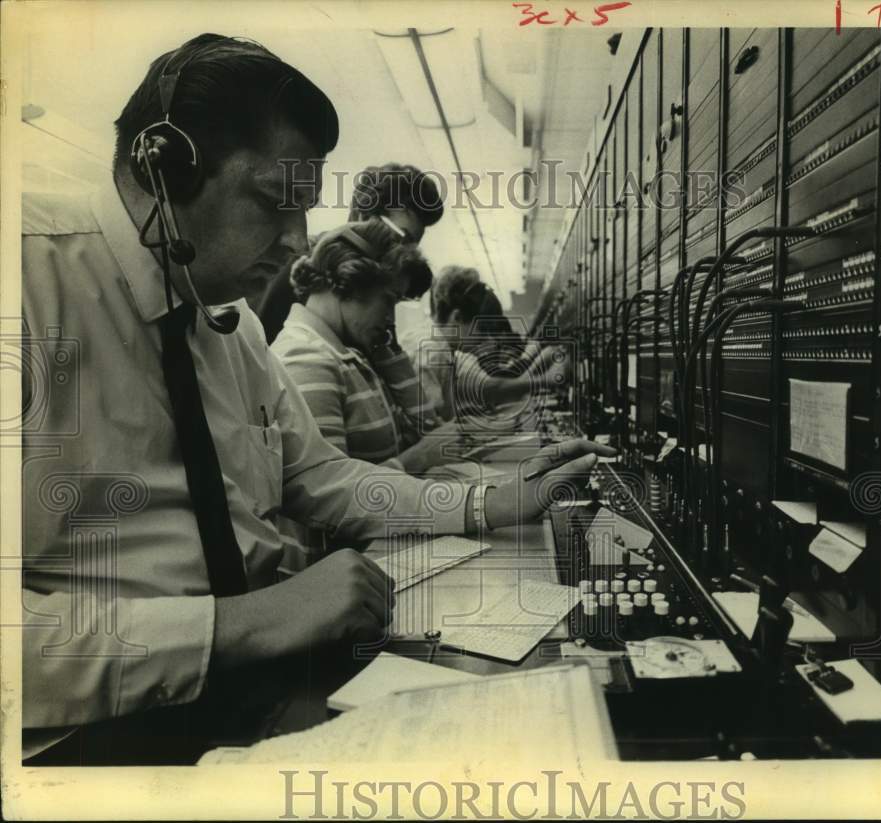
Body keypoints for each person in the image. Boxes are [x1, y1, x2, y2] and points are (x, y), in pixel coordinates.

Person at [20, 33, 612, 764]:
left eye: (307, 208)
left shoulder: (225, 321)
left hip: (260, 687)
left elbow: (321, 475)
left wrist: (490, 503)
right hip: (102, 740)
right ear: (166, 166)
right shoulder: (26, 289)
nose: (301, 243)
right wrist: (240, 623)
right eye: (276, 203)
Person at [272, 220, 462, 473]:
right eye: (388, 300)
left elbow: (425, 427)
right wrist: (421, 457)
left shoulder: (353, 354)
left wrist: (391, 356)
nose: (391, 320)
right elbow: (333, 497)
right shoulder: (307, 359)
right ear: (350, 281)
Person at [252, 162, 444, 343]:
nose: (405, 257)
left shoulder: (370, 295)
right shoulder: (302, 264)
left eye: (413, 247)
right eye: (401, 240)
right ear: (363, 216)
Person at [408, 265, 569, 422]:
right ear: (457, 318)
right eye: (483, 331)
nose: (489, 340)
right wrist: (547, 378)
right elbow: (429, 428)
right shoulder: (429, 352)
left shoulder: (450, 352)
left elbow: (488, 387)